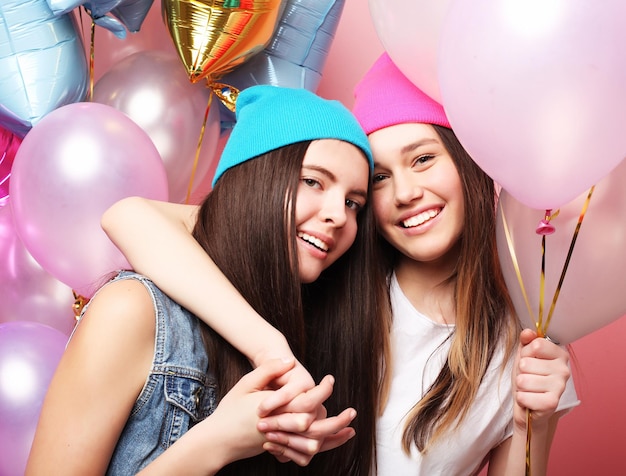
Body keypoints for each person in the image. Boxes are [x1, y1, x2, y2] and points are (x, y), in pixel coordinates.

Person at [99, 56, 578, 475]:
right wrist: (267, 346)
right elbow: (131, 216)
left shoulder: (529, 335)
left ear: (469, 163)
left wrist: (533, 420)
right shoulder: (334, 272)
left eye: (425, 159)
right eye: (381, 179)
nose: (406, 193)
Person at [26, 85, 386, 475]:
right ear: (256, 180)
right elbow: (129, 216)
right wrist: (218, 442)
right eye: (313, 181)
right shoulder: (134, 312)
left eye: (354, 203)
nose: (338, 215)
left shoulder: (318, 338)